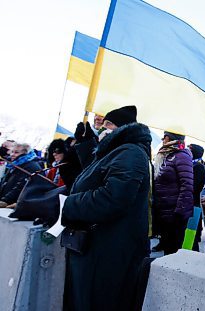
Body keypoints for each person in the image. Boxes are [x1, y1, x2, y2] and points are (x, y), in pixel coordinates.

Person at [61, 105, 151, 311]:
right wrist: (85, 144)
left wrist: (68, 204)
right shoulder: (115, 152)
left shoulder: (131, 152)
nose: (101, 127)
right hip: (97, 246)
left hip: (108, 251)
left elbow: (113, 198)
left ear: (121, 128)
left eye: (107, 124)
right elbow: (92, 177)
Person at [152, 130, 193, 254]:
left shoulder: (182, 156)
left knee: (173, 250)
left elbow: (187, 185)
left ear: (169, 139)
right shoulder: (167, 156)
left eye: (164, 138)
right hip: (165, 210)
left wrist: (179, 211)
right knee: (167, 248)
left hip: (175, 213)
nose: (162, 141)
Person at [0, 143, 42, 207]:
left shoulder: (31, 167)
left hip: (16, 205)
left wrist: (6, 200)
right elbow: (5, 182)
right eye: (12, 152)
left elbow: (20, 187)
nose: (12, 155)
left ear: (26, 153)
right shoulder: (15, 164)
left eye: (16, 152)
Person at [188, 143, 205, 251]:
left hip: (194, 203)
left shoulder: (198, 167)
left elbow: (195, 186)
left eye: (189, 149)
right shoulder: (193, 165)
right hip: (192, 203)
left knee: (191, 232)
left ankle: (191, 252)